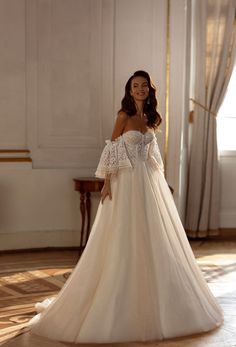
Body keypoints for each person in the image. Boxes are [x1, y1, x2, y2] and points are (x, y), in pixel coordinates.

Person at [29, 70, 223, 343]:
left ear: (149, 90)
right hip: (126, 182)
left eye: (144, 86)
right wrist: (107, 182)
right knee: (123, 236)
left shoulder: (151, 118)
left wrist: (161, 183)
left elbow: (153, 155)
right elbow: (112, 149)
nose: (140, 89)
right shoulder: (124, 116)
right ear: (129, 90)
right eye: (135, 86)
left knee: (153, 236)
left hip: (148, 183)